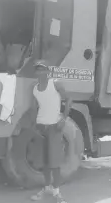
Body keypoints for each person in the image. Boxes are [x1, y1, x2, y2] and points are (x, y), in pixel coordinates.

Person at [30, 60, 69, 203]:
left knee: (54, 163)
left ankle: (57, 193)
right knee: (44, 162)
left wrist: (63, 118)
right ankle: (46, 189)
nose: (40, 72)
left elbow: (69, 100)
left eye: (42, 69)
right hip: (41, 127)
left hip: (54, 127)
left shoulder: (56, 83)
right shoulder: (35, 89)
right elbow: (35, 108)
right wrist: (34, 125)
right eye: (37, 70)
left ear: (48, 71)